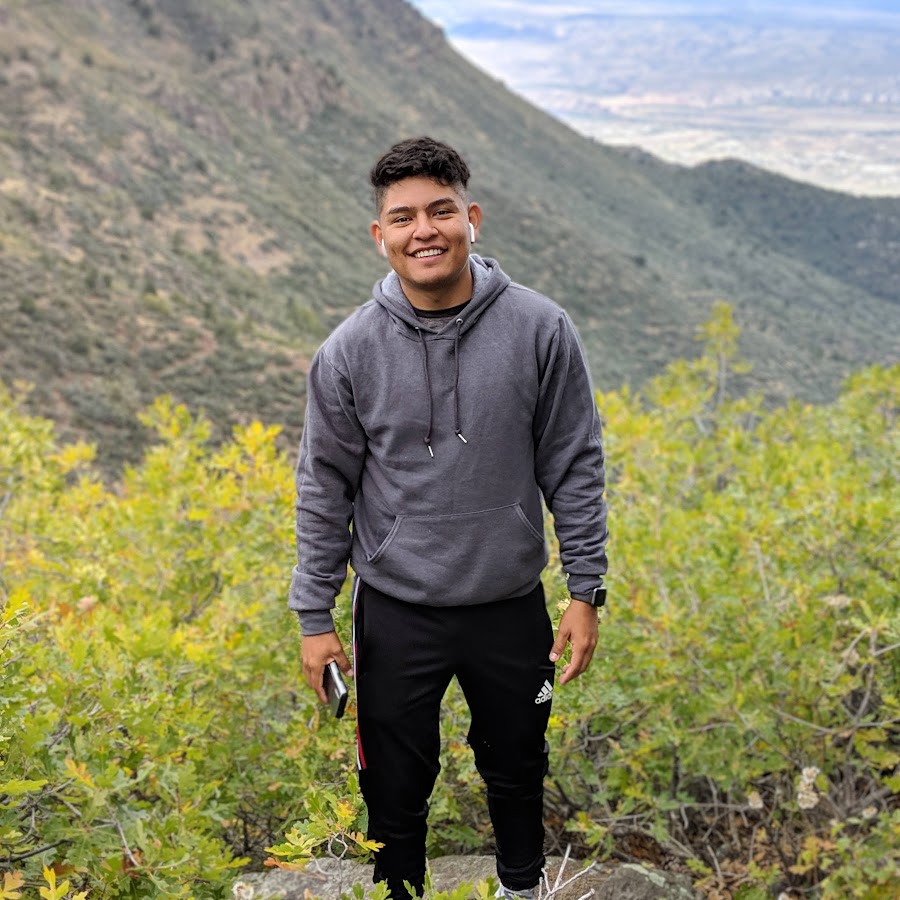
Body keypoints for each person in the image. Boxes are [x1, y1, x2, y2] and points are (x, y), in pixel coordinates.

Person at [289, 136, 608, 900]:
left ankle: (522, 889)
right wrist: (313, 616)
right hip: (396, 608)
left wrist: (586, 589)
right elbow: (324, 490)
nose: (423, 230)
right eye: (403, 218)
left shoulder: (540, 329)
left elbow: (574, 463)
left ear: (472, 218)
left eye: (440, 211)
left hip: (509, 601)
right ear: (381, 235)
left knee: (518, 765)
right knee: (393, 786)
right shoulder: (349, 352)